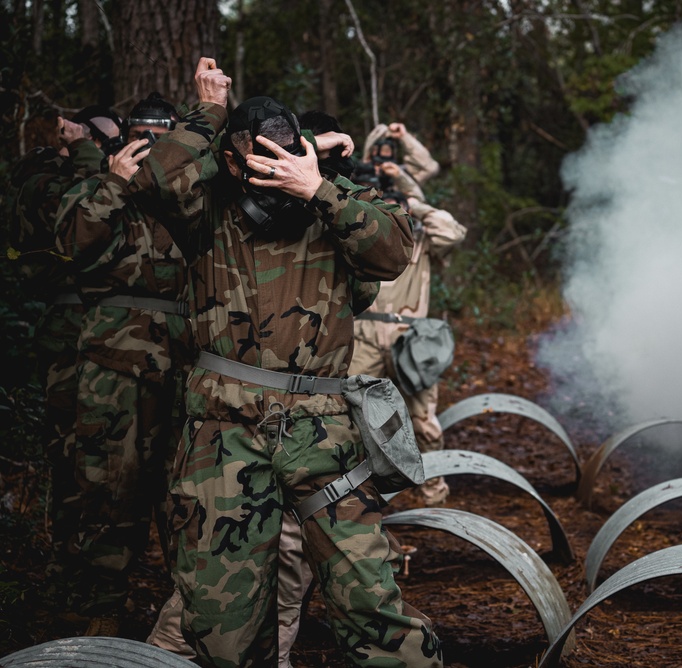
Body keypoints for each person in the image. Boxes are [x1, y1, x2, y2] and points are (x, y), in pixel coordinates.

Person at [154, 77, 442, 666]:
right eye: (258, 160)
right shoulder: (206, 210)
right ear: (232, 162)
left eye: (284, 154)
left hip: (323, 433)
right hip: (221, 434)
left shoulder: (336, 201)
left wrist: (320, 188)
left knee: (370, 598)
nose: (271, 172)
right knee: (222, 625)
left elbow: (391, 253)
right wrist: (208, 111)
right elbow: (156, 178)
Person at [51, 88, 205, 635]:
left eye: (163, 141)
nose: (153, 151)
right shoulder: (100, 187)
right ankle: (99, 609)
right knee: (107, 486)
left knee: (184, 488)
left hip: (186, 360)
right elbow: (72, 242)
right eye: (144, 139)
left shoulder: (191, 193)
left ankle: (186, 613)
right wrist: (113, 179)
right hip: (111, 360)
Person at [4, 109, 110, 605]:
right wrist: (88, 155)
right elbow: (79, 220)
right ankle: (70, 571)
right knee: (71, 455)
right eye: (100, 140)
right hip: (69, 330)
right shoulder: (45, 180)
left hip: (105, 329)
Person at [349, 190, 466, 506]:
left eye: (400, 214)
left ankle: (434, 494)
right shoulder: (362, 237)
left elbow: (452, 231)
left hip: (411, 340)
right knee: (354, 416)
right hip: (364, 333)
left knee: (423, 419)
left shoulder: (421, 241)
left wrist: (417, 206)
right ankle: (359, 498)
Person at [361, 122, 439, 186]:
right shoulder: (360, 172)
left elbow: (431, 167)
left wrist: (404, 137)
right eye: (382, 149)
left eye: (388, 149)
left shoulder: (400, 173)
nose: (385, 154)